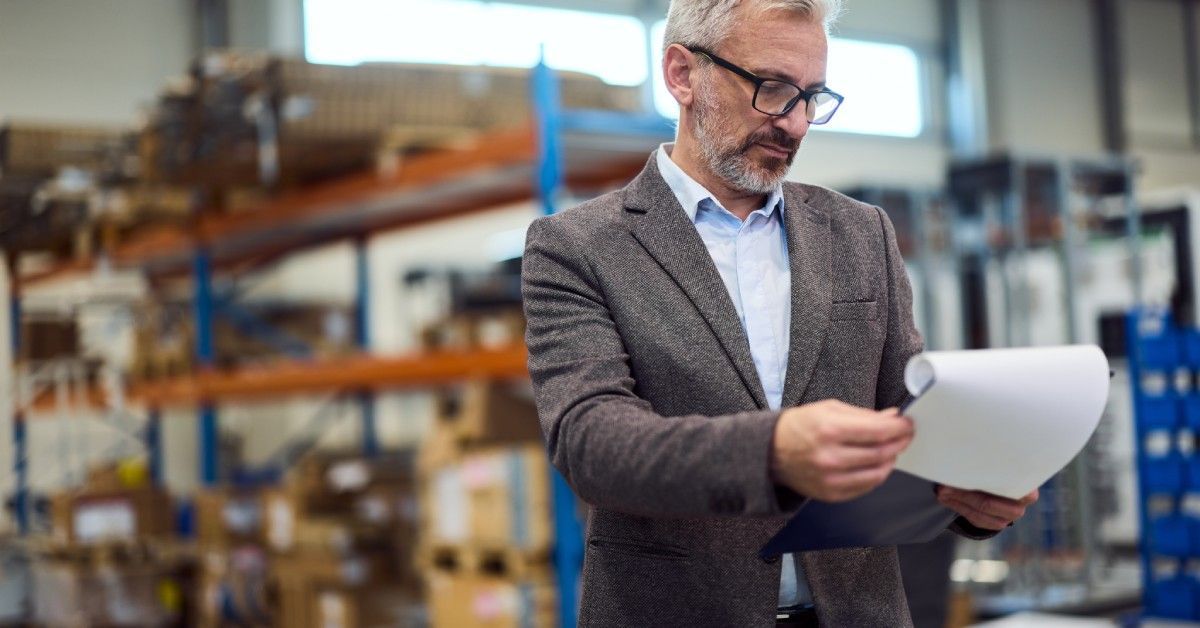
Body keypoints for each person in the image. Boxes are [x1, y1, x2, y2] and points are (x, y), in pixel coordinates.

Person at [520, 0, 1038, 626]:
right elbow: (591, 441)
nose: (794, 124)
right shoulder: (577, 245)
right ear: (682, 74)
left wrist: (966, 491)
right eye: (772, 89)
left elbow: (908, 415)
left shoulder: (859, 232)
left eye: (812, 96)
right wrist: (771, 452)